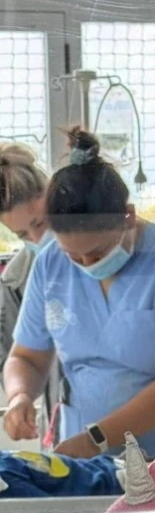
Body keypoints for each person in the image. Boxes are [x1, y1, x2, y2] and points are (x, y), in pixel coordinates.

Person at [3, 127, 155, 460]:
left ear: (128, 216)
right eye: (73, 255)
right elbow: (26, 357)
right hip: (79, 450)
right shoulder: (50, 264)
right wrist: (19, 396)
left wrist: (97, 437)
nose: (86, 265)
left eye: (97, 252)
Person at [0, 142, 61, 448]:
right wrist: (18, 397)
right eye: (23, 235)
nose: (38, 239)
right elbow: (17, 360)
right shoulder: (15, 281)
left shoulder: (99, 257)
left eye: (41, 223)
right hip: (61, 432)